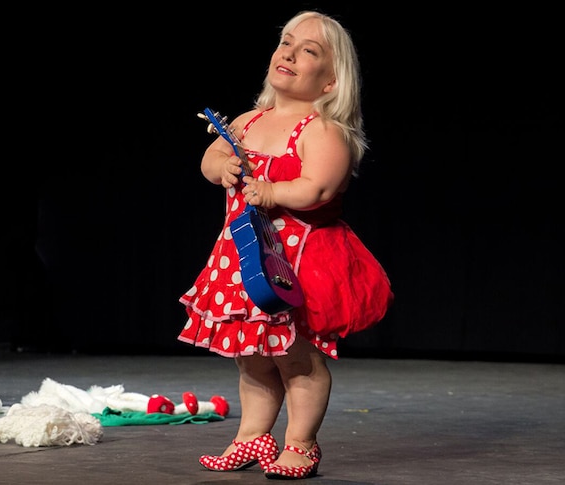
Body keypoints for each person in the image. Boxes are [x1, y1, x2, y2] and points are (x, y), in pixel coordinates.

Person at [178, 10, 394, 480]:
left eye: (309, 51)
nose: (290, 53)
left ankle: (301, 443)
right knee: (252, 357)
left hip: (294, 265)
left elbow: (319, 187)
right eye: (286, 43)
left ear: (331, 84)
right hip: (243, 260)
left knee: (297, 357)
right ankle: (252, 436)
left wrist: (273, 191)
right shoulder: (248, 120)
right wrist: (222, 169)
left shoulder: (323, 131)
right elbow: (210, 157)